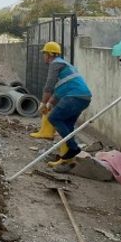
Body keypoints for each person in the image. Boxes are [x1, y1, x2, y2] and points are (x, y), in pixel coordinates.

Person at [39, 41, 92, 170]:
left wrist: (43, 103)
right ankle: (67, 160)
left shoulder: (55, 64)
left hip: (74, 96)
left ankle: (73, 148)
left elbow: (49, 86)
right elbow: (61, 89)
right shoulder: (64, 65)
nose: (43, 56)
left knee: (54, 118)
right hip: (84, 97)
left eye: (44, 53)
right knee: (68, 125)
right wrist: (50, 103)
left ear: (50, 54)